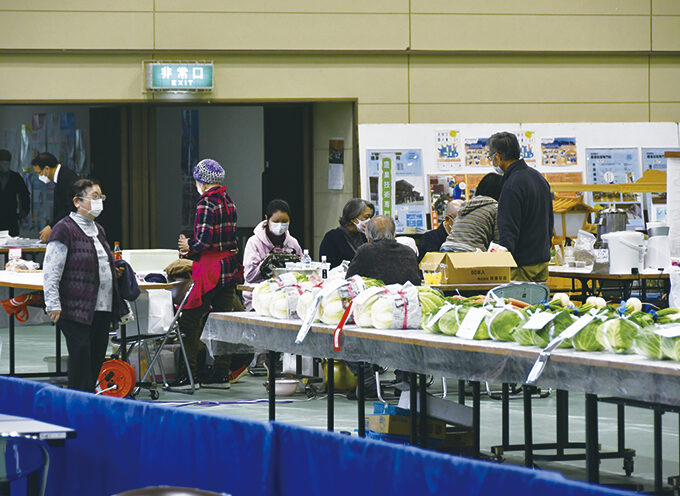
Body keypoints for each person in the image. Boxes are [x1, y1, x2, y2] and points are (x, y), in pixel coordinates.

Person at [44, 179, 123, 391]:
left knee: (96, 357)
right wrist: (52, 303)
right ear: (77, 201)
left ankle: (87, 403)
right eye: (95, 197)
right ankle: (76, 406)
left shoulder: (99, 229)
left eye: (101, 197)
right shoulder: (63, 229)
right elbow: (52, 269)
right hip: (75, 307)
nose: (99, 201)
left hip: (102, 307)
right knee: (80, 357)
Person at [176, 158, 244, 389]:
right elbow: (230, 239)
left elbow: (204, 241)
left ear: (202, 182)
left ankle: (188, 376)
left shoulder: (206, 203)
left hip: (210, 272)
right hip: (228, 269)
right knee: (224, 322)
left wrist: (188, 247)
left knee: (189, 323)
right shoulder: (229, 201)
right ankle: (221, 375)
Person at [487, 132, 554, 282]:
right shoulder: (538, 178)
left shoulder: (511, 185)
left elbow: (508, 228)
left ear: (497, 156)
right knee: (540, 305)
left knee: (519, 305)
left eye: (490, 156)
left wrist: (504, 258)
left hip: (521, 265)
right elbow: (549, 219)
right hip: (542, 262)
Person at [242, 199, 303, 310]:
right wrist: (266, 264)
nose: (280, 225)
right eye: (276, 221)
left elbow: (301, 271)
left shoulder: (292, 243)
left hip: (286, 299)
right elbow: (249, 276)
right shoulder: (254, 242)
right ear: (267, 218)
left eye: (284, 221)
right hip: (258, 299)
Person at [345, 215, 421, 286]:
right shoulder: (409, 252)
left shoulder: (365, 251)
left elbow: (350, 280)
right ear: (394, 234)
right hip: (406, 297)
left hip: (378, 298)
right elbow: (417, 282)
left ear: (367, 235)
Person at [440, 173, 503, 252]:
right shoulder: (495, 208)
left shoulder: (466, 204)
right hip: (470, 251)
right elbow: (498, 244)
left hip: (447, 247)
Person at [32, 152, 80, 243]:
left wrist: (52, 226)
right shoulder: (60, 176)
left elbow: (69, 208)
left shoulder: (67, 178)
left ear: (46, 168)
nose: (39, 176)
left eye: (39, 172)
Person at [319, 198, 373, 269]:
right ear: (353, 218)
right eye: (366, 217)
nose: (369, 220)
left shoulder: (365, 236)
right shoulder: (332, 237)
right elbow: (327, 266)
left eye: (370, 217)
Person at [0, 149, 30, 236]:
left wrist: (25, 210)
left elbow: (25, 194)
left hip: (11, 217)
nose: (5, 166)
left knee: (12, 244)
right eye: (3, 163)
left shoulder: (15, 177)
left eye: (7, 163)